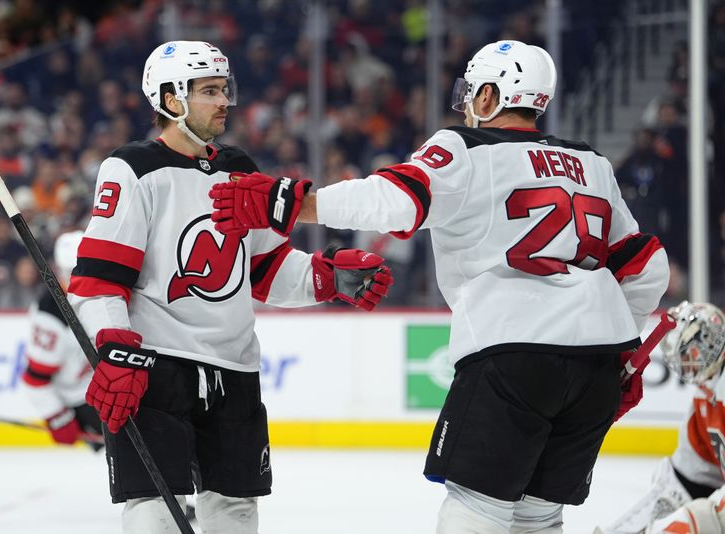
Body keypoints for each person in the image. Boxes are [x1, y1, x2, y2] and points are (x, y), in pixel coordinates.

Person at [209, 40, 670, 533]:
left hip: (513, 354)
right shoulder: (592, 164)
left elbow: (394, 201)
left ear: (490, 96)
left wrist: (294, 205)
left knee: (475, 512)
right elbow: (648, 267)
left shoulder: (463, 148)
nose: (469, 103)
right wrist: (621, 356)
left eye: (473, 93)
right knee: (538, 519)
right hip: (595, 365)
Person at [67, 40, 393, 534]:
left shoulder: (237, 166)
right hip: (158, 365)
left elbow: (263, 268)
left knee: (237, 513)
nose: (224, 101)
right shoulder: (132, 167)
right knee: (155, 511)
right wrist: (115, 351)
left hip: (234, 368)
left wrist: (325, 277)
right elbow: (98, 279)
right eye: (209, 91)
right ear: (172, 100)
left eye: (224, 89)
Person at [601, 301, 725, 534]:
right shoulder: (705, 398)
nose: (685, 363)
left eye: (691, 352)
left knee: (698, 520)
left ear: (711, 341)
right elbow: (685, 482)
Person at [21, 230, 102, 449]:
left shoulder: (100, 294)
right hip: (82, 398)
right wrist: (58, 416)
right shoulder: (50, 315)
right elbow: (35, 379)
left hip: (103, 385)